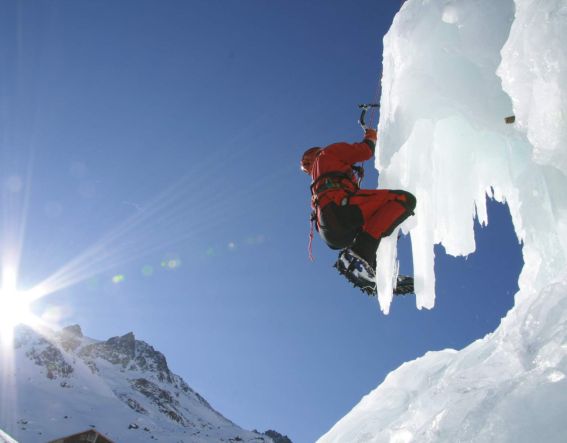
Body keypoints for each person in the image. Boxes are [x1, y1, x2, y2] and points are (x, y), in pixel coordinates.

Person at [301, 127, 416, 292]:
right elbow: (364, 151)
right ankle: (359, 256)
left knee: (377, 222)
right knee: (403, 200)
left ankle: (371, 268)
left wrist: (351, 176)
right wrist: (371, 137)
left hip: (330, 232)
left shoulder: (318, 179)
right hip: (340, 209)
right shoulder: (327, 153)